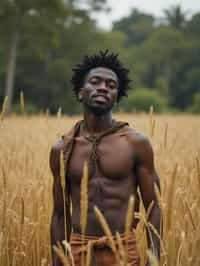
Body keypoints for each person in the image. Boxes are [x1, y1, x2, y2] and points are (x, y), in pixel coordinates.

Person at [50, 50, 161, 266]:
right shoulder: (62, 149)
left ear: (117, 96)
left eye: (111, 85)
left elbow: (154, 205)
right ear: (81, 92)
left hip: (122, 249)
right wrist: (58, 259)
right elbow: (59, 213)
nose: (103, 87)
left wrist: (153, 257)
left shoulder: (136, 143)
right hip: (79, 250)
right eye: (95, 81)